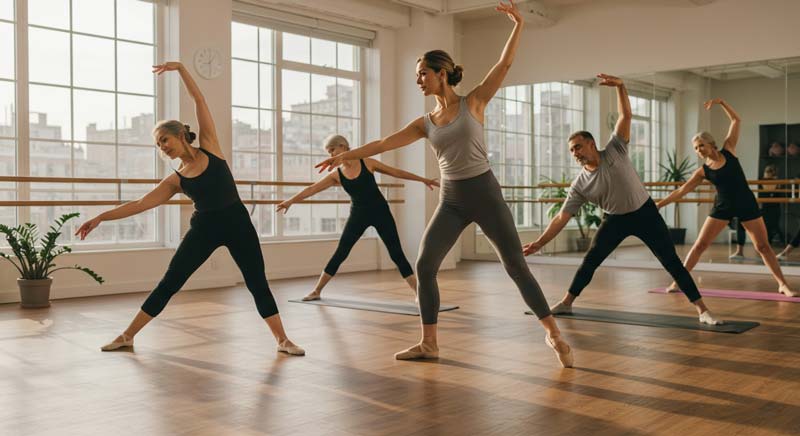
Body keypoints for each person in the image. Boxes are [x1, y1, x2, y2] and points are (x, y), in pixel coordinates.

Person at [315, 0, 573, 368]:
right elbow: (385, 143)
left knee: (516, 266)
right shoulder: (426, 122)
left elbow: (505, 65)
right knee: (424, 265)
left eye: (422, 73)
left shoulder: (475, 102)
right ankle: (429, 342)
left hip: (484, 193)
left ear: (441, 73)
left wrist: (518, 24)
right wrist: (345, 155)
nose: (418, 79)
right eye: (417, 74)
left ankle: (553, 333)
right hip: (451, 199)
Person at [77, 62, 305, 355]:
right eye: (159, 146)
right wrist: (100, 217)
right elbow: (140, 204)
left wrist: (181, 69)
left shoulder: (211, 146)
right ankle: (127, 336)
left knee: (257, 282)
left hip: (238, 224)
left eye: (165, 140)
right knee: (170, 282)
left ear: (181, 135)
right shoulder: (176, 179)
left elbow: (200, 100)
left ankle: (283, 340)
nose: (163, 148)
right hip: (204, 229)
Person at [523, 76, 725, 325]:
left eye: (578, 147)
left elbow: (625, 117)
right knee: (590, 261)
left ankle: (702, 310)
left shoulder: (615, 149)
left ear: (591, 143)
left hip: (645, 214)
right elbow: (561, 217)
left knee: (671, 262)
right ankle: (566, 303)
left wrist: (620, 87)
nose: (575, 153)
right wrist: (539, 242)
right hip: (615, 219)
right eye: (572, 150)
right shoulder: (580, 184)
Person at [657, 99, 796, 297]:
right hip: (723, 207)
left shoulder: (728, 149)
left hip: (747, 203)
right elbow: (681, 191)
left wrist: (721, 103)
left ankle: (782, 284)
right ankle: (679, 282)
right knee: (700, 245)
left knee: (763, 247)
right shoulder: (702, 171)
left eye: (701, 145)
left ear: (711, 144)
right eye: (695, 148)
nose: (698, 151)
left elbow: (736, 120)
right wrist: (660, 204)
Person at [277, 134, 438, 301]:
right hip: (358, 215)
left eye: (332, 150)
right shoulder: (337, 175)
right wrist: (290, 201)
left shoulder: (367, 162)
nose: (331, 155)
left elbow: (396, 172)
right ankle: (317, 291)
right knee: (341, 252)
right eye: (328, 152)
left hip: (381, 212)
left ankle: (418, 293)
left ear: (343, 147)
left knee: (396, 253)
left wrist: (423, 180)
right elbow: (312, 189)